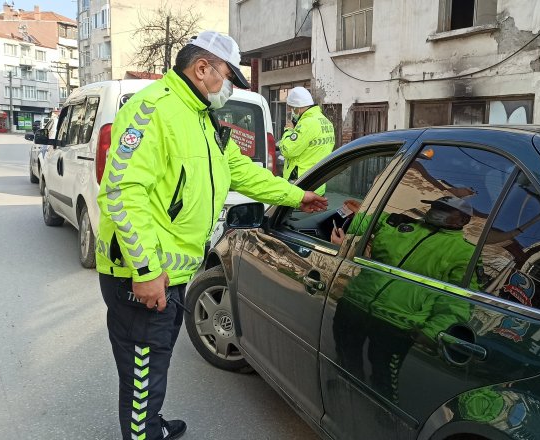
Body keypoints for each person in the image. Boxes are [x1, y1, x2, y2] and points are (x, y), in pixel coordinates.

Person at [95, 31, 328, 440]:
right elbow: (121, 192)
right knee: (142, 370)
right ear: (202, 69)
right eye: (228, 77)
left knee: (154, 365)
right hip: (145, 275)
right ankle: (142, 433)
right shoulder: (153, 110)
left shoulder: (204, 119)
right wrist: (146, 269)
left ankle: (150, 424)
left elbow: (242, 172)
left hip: (173, 272)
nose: (231, 88)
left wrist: (296, 194)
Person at [330, 196, 476, 402]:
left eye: (444, 209)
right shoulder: (399, 223)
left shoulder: (465, 253)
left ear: (463, 220)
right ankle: (349, 388)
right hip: (355, 304)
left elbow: (458, 300)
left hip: (397, 324)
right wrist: (344, 213)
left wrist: (432, 332)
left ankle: (384, 417)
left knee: (384, 379)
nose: (435, 210)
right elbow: (355, 222)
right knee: (346, 353)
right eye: (435, 206)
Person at [279, 87, 334, 193]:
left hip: (302, 185)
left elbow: (287, 150)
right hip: (318, 184)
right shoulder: (326, 122)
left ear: (297, 108)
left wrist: (288, 131)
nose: (292, 112)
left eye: (291, 108)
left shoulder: (306, 124)